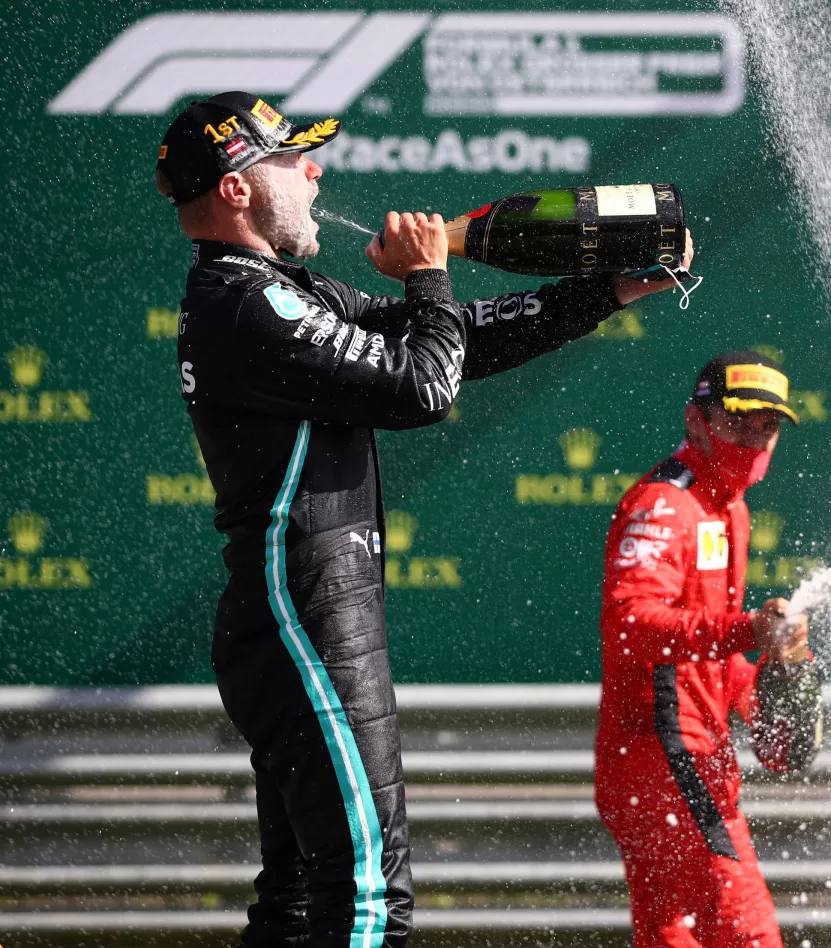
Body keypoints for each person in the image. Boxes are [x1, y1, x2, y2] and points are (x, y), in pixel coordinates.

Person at [158, 91, 692, 947]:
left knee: (299, 901)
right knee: (367, 898)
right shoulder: (249, 304)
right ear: (237, 187)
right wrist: (427, 274)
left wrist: (606, 290)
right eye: (295, 158)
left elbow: (454, 344)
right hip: (305, 618)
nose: (314, 170)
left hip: (301, 615)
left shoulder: (277, 291)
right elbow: (424, 386)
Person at [596, 351, 822, 948]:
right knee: (747, 934)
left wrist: (766, 690)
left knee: (675, 935)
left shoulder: (730, 508)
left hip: (679, 761)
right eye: (738, 420)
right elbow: (631, 624)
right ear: (696, 420)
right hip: (663, 760)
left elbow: (717, 654)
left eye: (767, 427)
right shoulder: (666, 504)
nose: (753, 438)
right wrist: (749, 631)